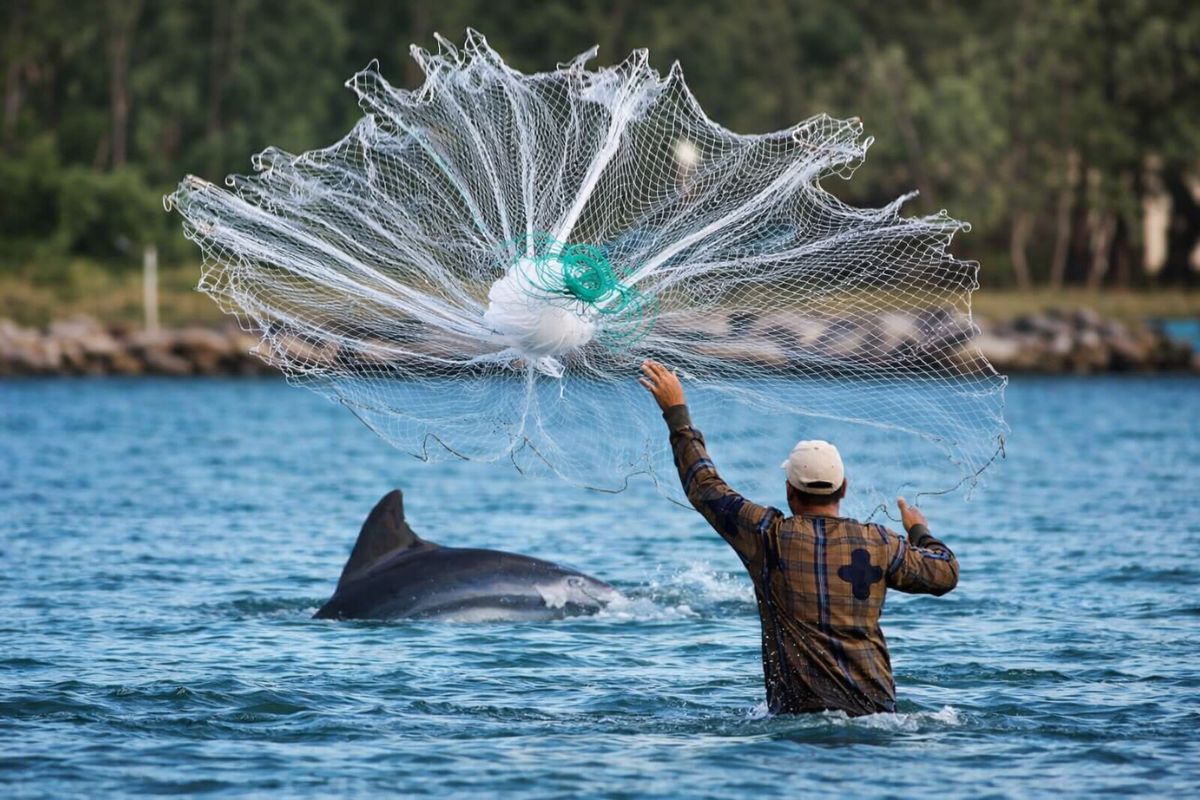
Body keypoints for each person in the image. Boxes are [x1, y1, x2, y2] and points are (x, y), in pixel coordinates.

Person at [638, 359, 959, 716]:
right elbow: (944, 574)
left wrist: (677, 414)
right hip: (880, 715)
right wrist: (918, 529)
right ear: (844, 488)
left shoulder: (768, 536)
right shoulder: (882, 543)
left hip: (798, 715)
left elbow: (704, 486)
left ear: (789, 489)